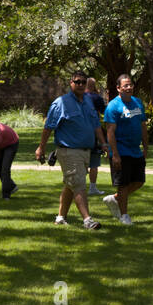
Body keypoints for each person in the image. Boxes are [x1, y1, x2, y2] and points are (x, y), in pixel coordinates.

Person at [36, 70, 106, 228]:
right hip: (68, 150)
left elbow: (96, 124)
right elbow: (48, 127)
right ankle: (87, 220)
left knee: (71, 184)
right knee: (79, 184)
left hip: (86, 151)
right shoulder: (61, 103)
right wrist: (41, 148)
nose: (80, 85)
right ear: (71, 83)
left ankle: (60, 218)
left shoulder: (88, 101)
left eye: (83, 82)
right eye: (77, 82)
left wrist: (103, 143)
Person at [102, 72, 148, 226]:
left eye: (130, 85)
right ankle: (124, 216)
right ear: (118, 88)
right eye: (125, 85)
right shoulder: (113, 106)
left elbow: (143, 126)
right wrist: (115, 154)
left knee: (139, 181)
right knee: (123, 184)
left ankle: (115, 198)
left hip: (135, 150)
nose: (129, 87)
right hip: (121, 151)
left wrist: (146, 147)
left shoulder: (138, 103)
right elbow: (110, 132)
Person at [85, 77, 107, 197]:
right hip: (94, 133)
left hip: (81, 133)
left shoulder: (80, 97)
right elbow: (104, 111)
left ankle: (79, 186)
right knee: (94, 163)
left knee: (81, 161)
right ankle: (92, 187)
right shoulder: (96, 98)